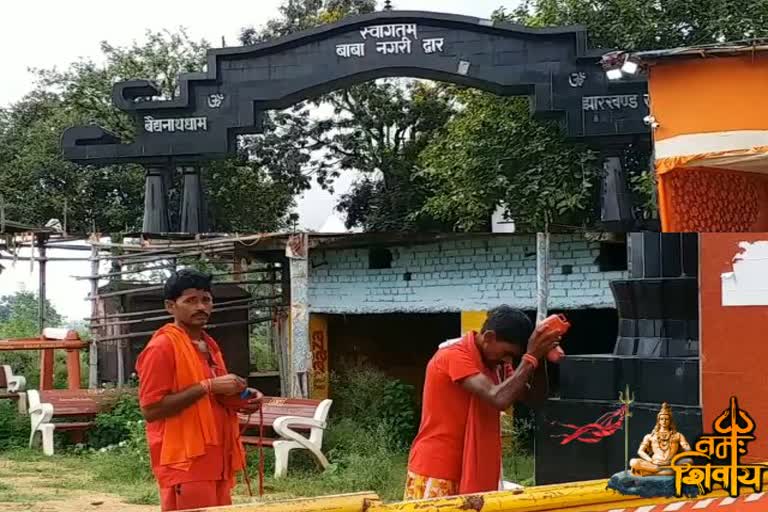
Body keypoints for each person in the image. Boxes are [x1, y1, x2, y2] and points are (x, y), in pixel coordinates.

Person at [135, 269, 263, 511]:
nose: (201, 307)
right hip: (184, 460)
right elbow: (151, 409)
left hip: (217, 457)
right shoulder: (161, 347)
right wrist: (206, 386)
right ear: (170, 306)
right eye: (191, 300)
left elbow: (217, 397)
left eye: (206, 299)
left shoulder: (209, 345)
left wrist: (243, 398)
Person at [404, 305, 561, 500]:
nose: (507, 359)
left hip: (472, 467)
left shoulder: (497, 364)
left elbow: (535, 399)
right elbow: (498, 398)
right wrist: (530, 358)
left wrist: (540, 357)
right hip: (438, 469)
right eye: (506, 352)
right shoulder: (454, 355)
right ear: (489, 337)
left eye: (513, 356)